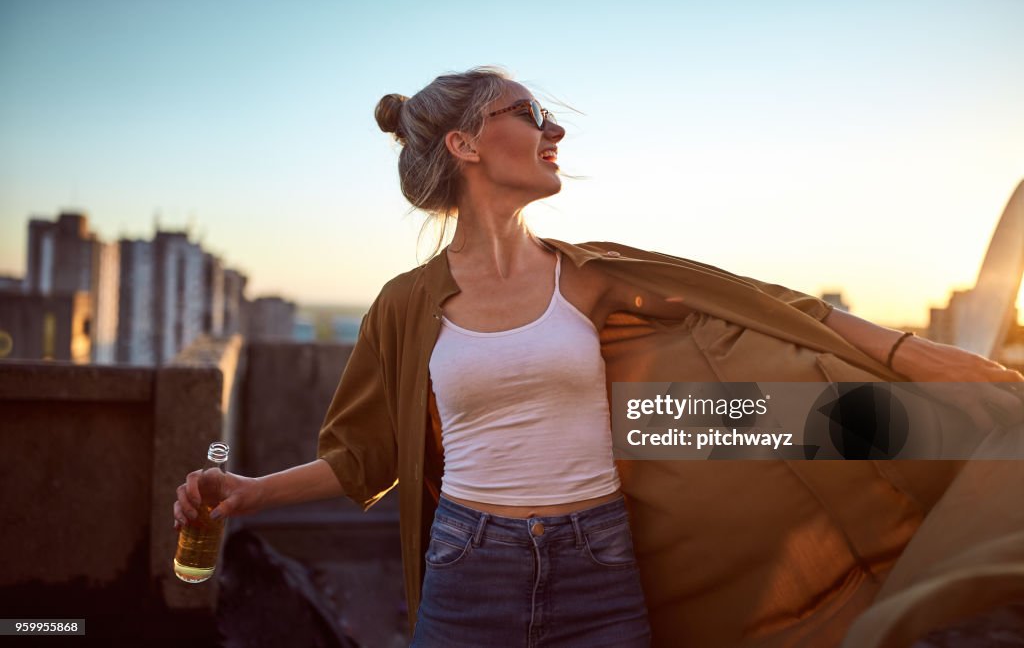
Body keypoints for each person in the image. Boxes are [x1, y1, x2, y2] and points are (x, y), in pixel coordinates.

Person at [174, 67, 1024, 647]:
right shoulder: (407, 304)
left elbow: (774, 313)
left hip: (602, 564)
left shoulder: (594, 277)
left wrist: (920, 358)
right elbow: (367, 457)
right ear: (466, 146)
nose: (554, 131)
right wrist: (251, 493)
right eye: (528, 114)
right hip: (469, 570)